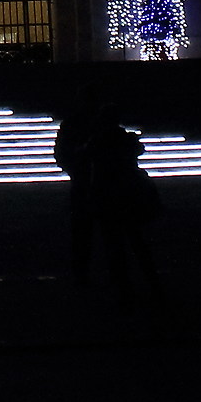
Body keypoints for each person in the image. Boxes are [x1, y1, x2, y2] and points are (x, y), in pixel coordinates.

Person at [54, 100, 164, 307]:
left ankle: (123, 288)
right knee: (135, 240)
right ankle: (151, 283)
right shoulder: (126, 140)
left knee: (114, 243)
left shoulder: (97, 141)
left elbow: (79, 156)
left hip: (106, 196)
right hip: (127, 195)